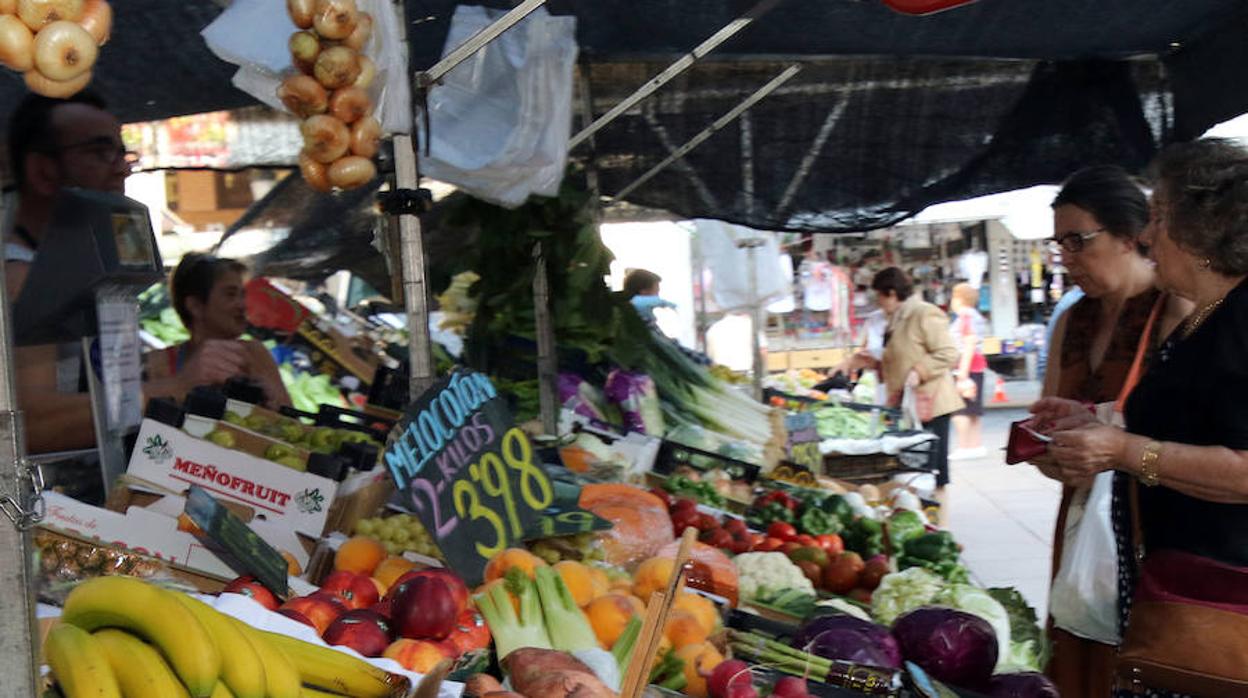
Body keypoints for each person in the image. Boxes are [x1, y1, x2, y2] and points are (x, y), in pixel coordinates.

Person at [1035, 139, 1248, 697]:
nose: (1147, 235)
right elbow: (1191, 426)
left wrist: (1127, 452)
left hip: (1223, 599)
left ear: (1202, 228)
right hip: (1179, 584)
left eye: (1158, 217)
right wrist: (1096, 423)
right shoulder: (1208, 316)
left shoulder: (1239, 323)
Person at [4, 91, 253, 457]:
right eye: (99, 151)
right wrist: (176, 385)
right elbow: (29, 427)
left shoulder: (83, 274)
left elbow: (100, 382)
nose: (122, 168)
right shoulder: (18, 277)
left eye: (122, 153)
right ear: (42, 171)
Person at [1028, 165, 1189, 696]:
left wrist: (1116, 449)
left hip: (1152, 531)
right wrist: (1050, 452)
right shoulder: (1072, 319)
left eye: (1078, 240)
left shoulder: (1176, 310)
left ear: (1130, 235)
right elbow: (1048, 424)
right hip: (1084, 523)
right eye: (1059, 244)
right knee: (1077, 660)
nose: (1066, 257)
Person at [852, 267, 963, 488]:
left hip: (930, 404)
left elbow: (949, 352)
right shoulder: (895, 318)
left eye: (879, 297)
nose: (878, 303)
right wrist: (871, 363)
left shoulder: (923, 313)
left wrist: (919, 371)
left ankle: (939, 517)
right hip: (906, 405)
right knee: (914, 470)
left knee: (933, 471)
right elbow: (899, 356)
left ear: (892, 293)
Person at [144, 254, 291, 410]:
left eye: (242, 295)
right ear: (195, 306)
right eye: (230, 294)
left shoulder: (255, 354)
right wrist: (179, 384)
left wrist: (274, 404)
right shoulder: (157, 365)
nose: (242, 305)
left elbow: (294, 425)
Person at [948, 282, 988, 459]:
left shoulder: (965, 316)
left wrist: (962, 372)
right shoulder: (975, 316)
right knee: (973, 409)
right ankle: (975, 445)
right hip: (976, 365)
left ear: (959, 298)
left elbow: (969, 342)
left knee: (960, 411)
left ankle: (964, 446)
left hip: (966, 366)